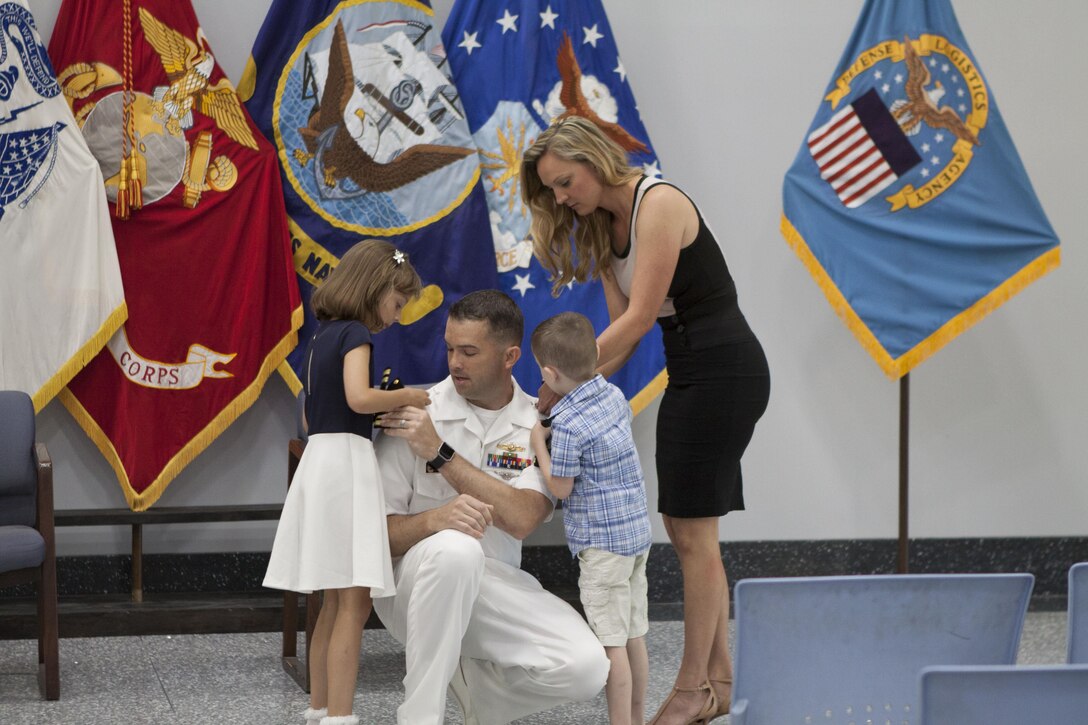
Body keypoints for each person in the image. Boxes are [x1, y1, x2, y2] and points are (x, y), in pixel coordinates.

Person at [521, 116, 771, 725]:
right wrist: (572, 396)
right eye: (551, 190)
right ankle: (719, 682)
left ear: (593, 160)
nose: (560, 198)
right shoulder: (604, 231)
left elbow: (632, 325)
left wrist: (556, 392)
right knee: (690, 530)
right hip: (691, 371)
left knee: (690, 533)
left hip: (725, 368)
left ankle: (692, 691)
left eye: (563, 182)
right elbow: (626, 341)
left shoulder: (656, 202)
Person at [374, 289, 610, 725]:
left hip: (495, 585)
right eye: (449, 349)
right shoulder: (415, 412)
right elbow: (375, 538)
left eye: (469, 351)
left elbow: (523, 518)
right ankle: (420, 716)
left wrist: (440, 454)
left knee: (587, 668)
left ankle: (478, 697)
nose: (454, 363)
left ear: (510, 356)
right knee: (455, 549)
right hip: (412, 585)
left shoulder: (537, 423)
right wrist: (435, 521)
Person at [263, 240, 431, 725]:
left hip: (322, 462)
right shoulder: (356, 333)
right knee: (354, 603)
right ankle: (341, 716)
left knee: (332, 602)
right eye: (397, 304)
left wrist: (371, 417)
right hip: (346, 469)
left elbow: (319, 416)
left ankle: (319, 708)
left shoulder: (322, 336)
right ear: (376, 288)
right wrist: (411, 397)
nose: (397, 316)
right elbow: (358, 398)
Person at [528, 311, 652, 725]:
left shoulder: (568, 426)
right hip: (635, 533)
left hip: (602, 548)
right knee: (634, 633)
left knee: (610, 643)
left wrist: (537, 444)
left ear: (549, 373)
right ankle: (635, 717)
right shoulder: (614, 395)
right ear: (595, 353)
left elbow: (561, 487)